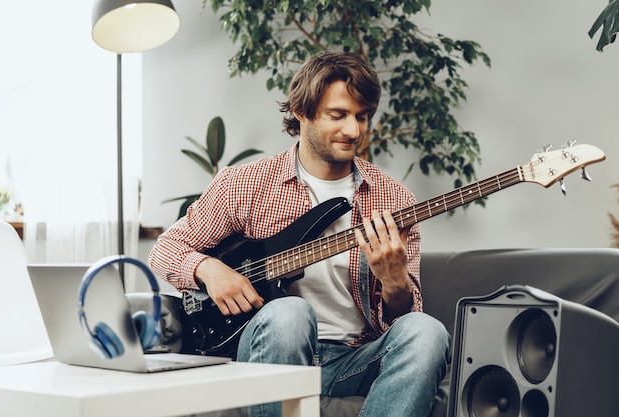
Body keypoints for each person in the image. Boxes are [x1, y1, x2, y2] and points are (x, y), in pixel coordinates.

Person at [149, 50, 450, 417]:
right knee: (289, 314)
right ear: (301, 111)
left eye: (361, 117)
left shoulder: (394, 200)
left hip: (352, 360)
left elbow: (405, 315)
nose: (353, 130)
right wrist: (209, 270)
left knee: (427, 332)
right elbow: (166, 248)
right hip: (270, 346)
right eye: (337, 115)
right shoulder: (245, 184)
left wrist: (394, 281)